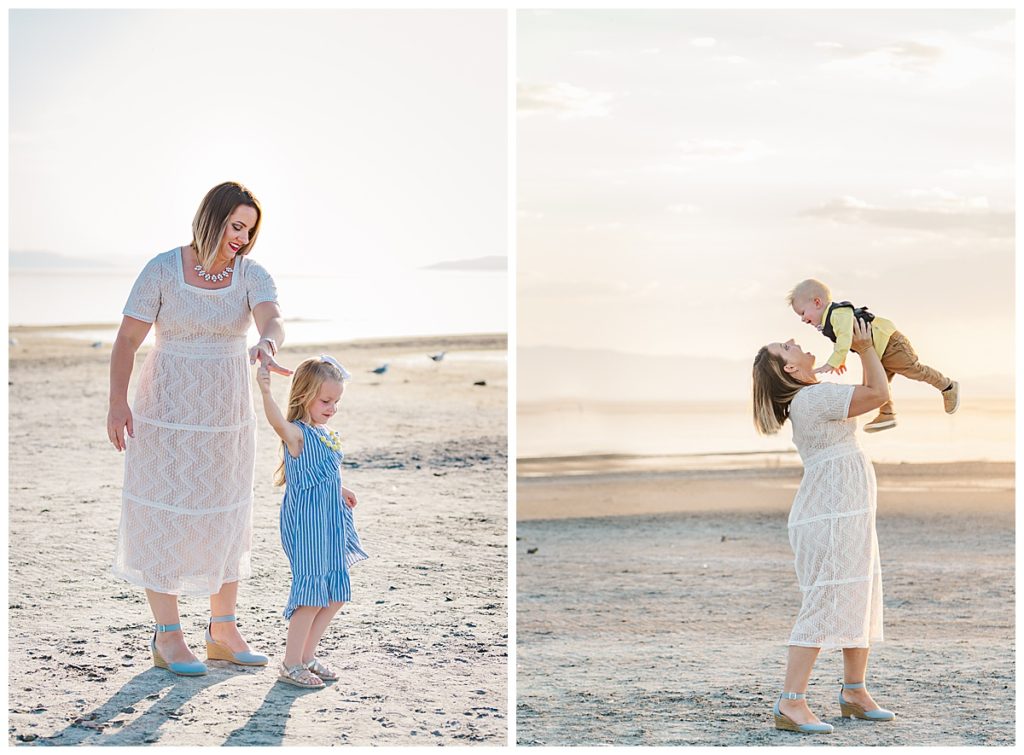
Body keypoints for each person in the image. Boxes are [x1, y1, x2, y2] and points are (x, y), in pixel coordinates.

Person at [107, 181, 291, 676]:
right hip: (165, 408)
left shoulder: (251, 274)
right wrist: (116, 404)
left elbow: (272, 319)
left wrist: (267, 344)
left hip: (225, 415)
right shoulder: (163, 268)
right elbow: (127, 340)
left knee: (223, 515)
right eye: (236, 226)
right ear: (211, 218)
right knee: (163, 513)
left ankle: (223, 630)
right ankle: (167, 637)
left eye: (249, 230)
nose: (242, 238)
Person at [752, 318, 897, 734]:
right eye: (786, 346)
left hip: (843, 508)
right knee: (823, 602)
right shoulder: (812, 400)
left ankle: (854, 692)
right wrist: (865, 347)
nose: (795, 341)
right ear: (791, 371)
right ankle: (790, 703)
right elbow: (877, 394)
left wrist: (863, 349)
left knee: (857, 591)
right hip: (829, 513)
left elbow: (872, 392)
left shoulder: (814, 395)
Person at [256, 355, 369, 689]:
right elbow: (277, 422)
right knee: (311, 594)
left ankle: (307, 656)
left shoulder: (324, 433)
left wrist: (340, 489)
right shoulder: (297, 435)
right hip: (307, 525)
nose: (332, 407)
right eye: (326, 401)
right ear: (304, 395)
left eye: (336, 402)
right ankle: (291, 663)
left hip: (330, 521)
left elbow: (323, 473)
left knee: (335, 592)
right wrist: (265, 393)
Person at [787, 278, 959, 432]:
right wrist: (842, 360)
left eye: (802, 313)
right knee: (875, 385)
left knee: (914, 370)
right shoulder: (829, 322)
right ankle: (887, 413)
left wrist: (833, 362)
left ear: (817, 302)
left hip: (890, 343)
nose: (802, 319)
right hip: (874, 351)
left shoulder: (837, 314)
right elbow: (842, 340)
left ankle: (947, 386)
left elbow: (845, 337)